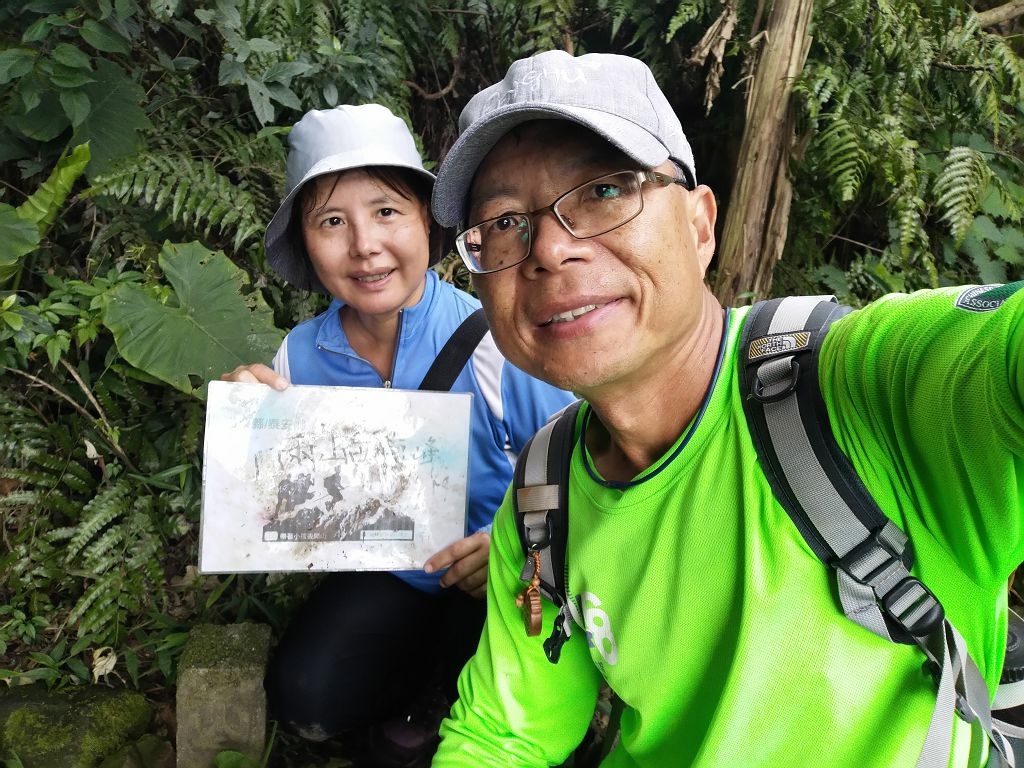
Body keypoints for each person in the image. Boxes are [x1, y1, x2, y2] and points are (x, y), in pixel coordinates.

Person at [427, 49, 1024, 767]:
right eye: (502, 222)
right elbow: (503, 734)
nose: (549, 248)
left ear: (700, 225)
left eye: (606, 190)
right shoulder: (541, 499)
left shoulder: (860, 388)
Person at [219, 103, 574, 765]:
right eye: (332, 221)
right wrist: (250, 428)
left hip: (505, 576)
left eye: (386, 211)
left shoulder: (496, 342)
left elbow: (584, 471)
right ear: (305, 240)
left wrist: (510, 550)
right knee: (308, 702)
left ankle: (448, 698)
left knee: (511, 712)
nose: (364, 245)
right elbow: (285, 510)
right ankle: (420, 685)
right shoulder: (300, 357)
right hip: (395, 573)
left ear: (426, 223)